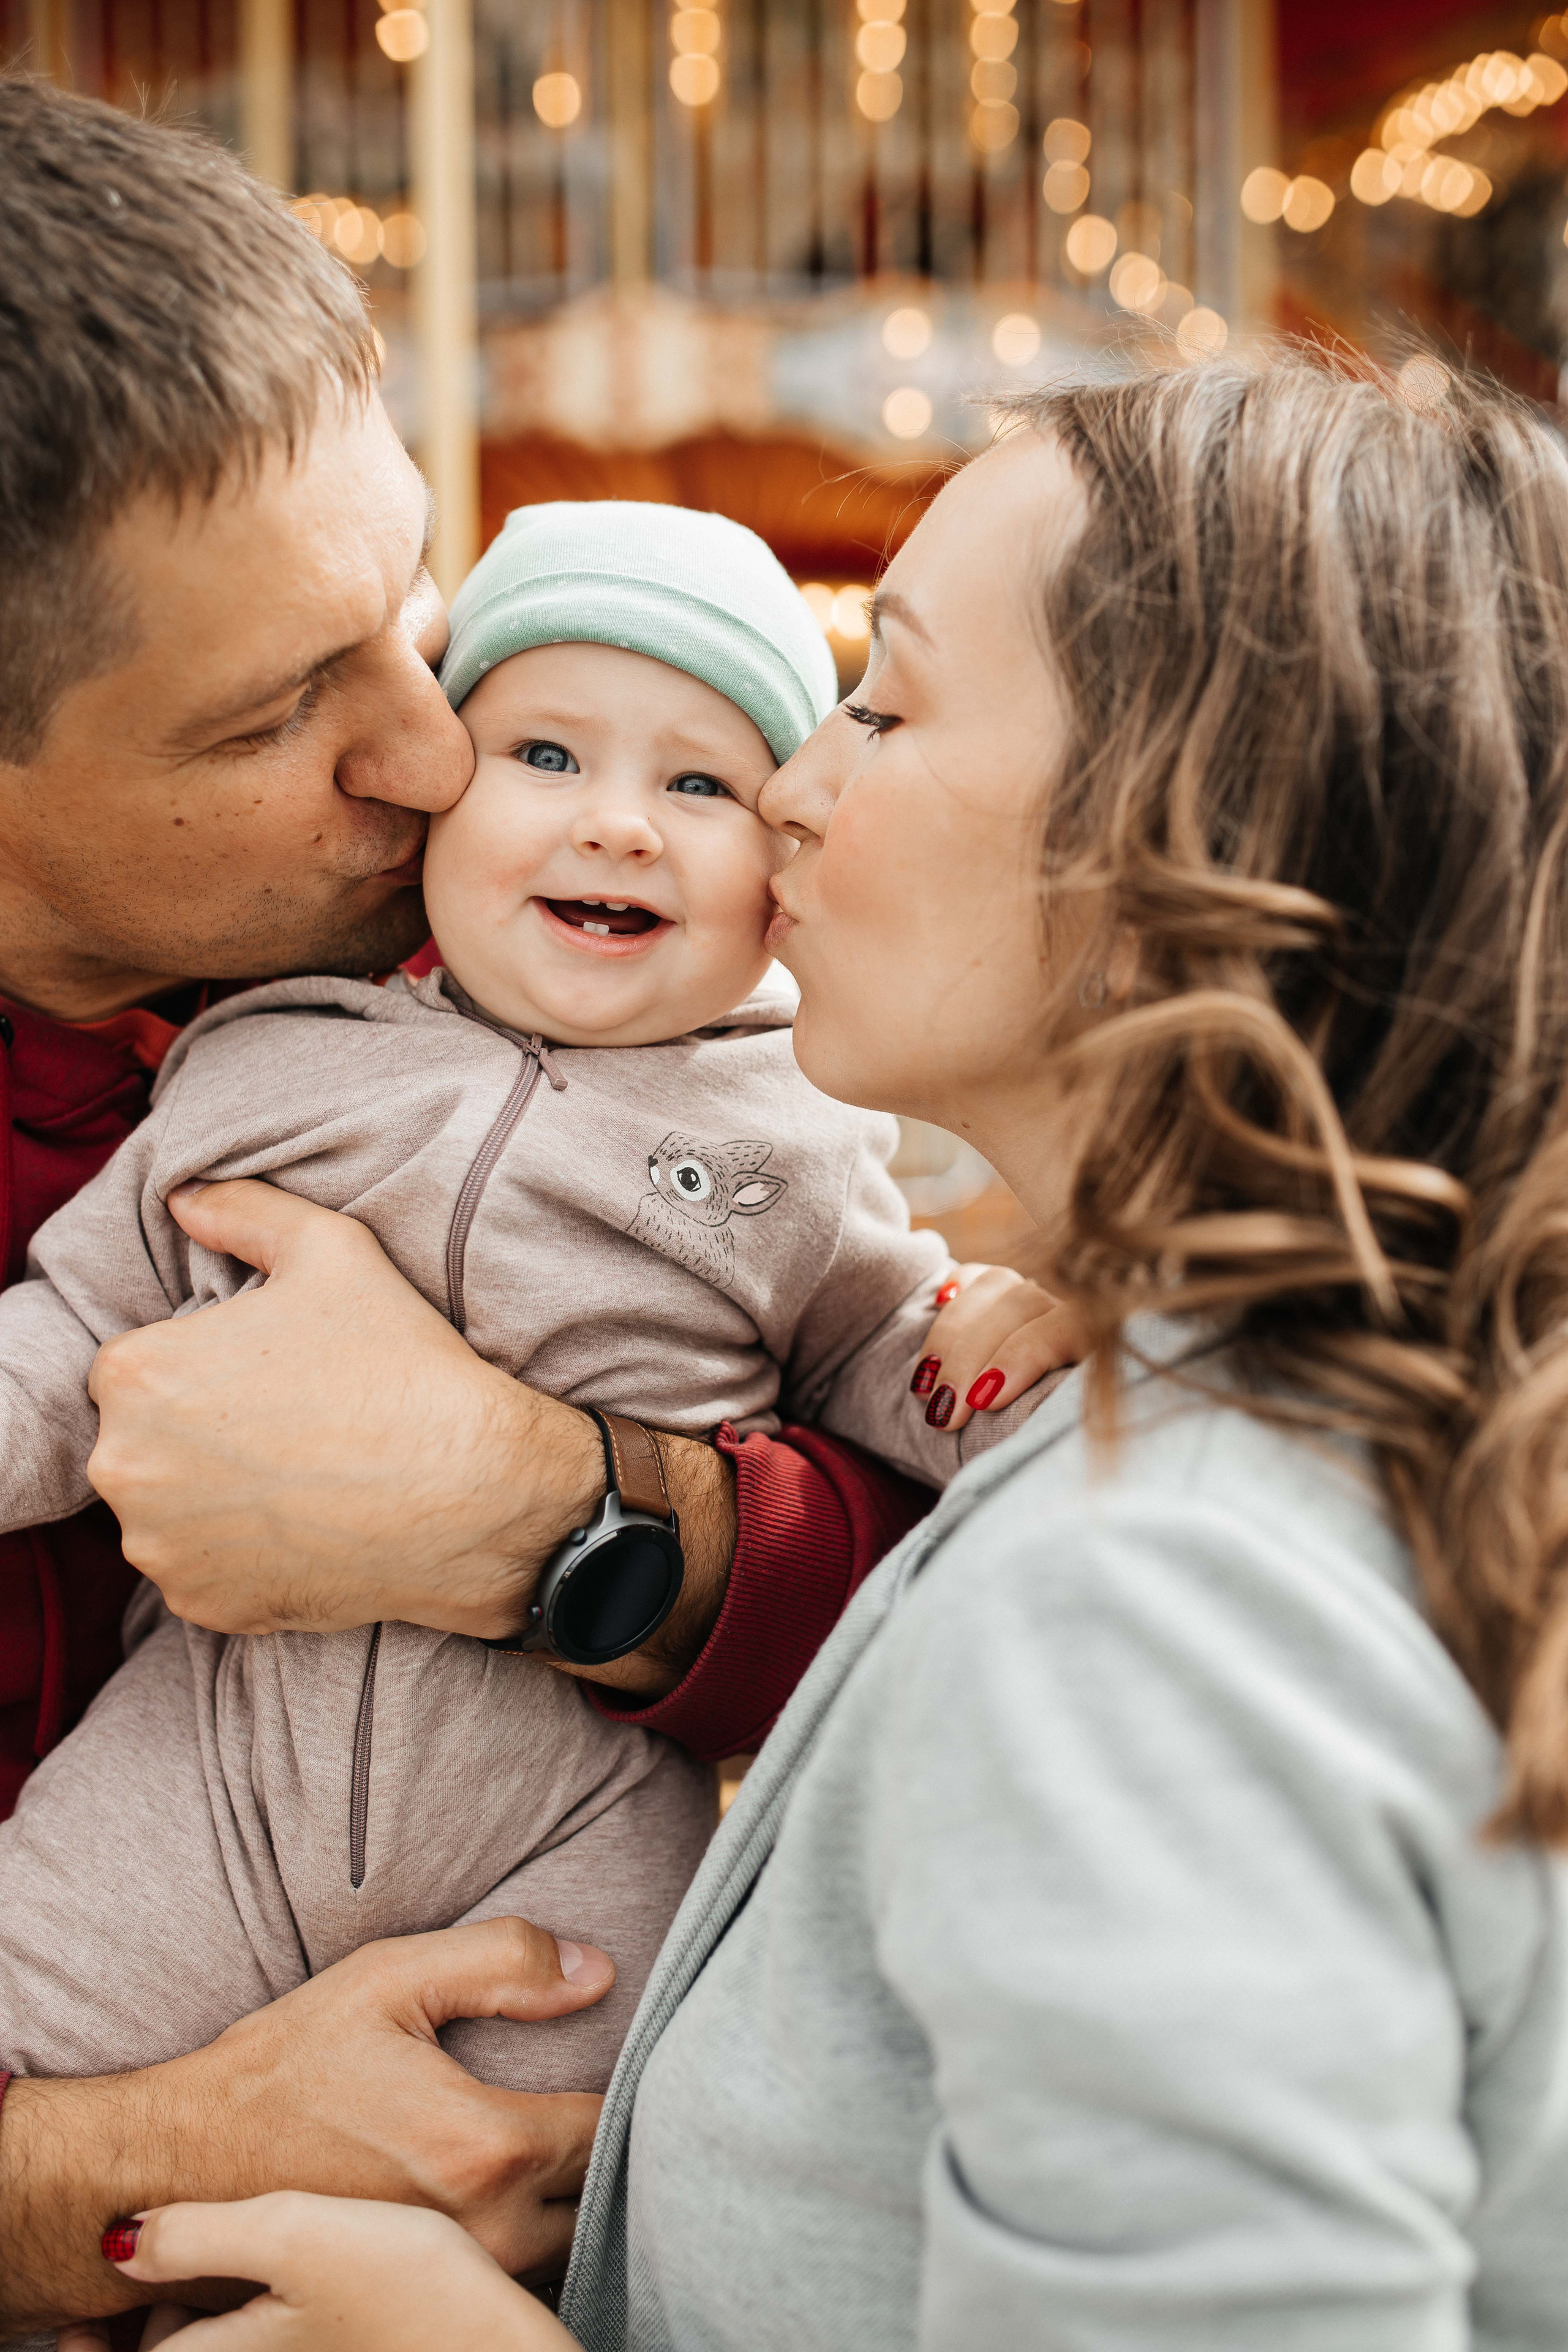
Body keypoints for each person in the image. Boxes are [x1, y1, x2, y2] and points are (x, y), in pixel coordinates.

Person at [115, 352, 1568, 2347]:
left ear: (1168, 842)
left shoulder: (1159, 1591)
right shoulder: (1237, 1429)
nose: (792, 783)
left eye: (880, 702)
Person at [0, 74, 1030, 2339]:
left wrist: (541, 1509)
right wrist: (126, 2167)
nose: (440, 750)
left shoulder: (507, 984)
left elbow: (913, 1483)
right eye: (286, 707)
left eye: (416, 614)